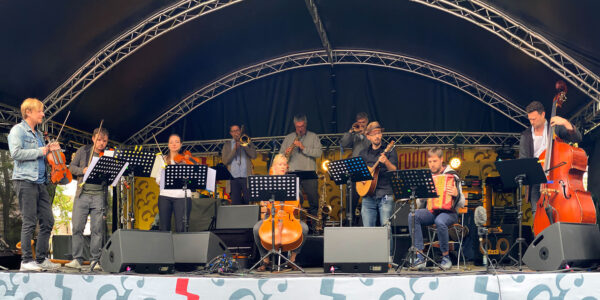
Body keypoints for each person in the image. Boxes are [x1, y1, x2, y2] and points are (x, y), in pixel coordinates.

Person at [7, 98, 60, 271]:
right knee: (29, 221)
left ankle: (42, 258)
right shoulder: (18, 131)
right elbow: (15, 153)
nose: (43, 114)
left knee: (48, 220)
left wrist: (53, 150)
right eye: (40, 111)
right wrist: (41, 150)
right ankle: (26, 261)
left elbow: (44, 157)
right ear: (28, 112)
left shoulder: (38, 134)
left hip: (40, 182)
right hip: (24, 181)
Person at [518, 101, 581, 216]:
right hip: (536, 181)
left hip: (555, 179)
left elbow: (577, 138)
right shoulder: (525, 135)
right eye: (530, 119)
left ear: (543, 115)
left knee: (560, 213)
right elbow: (523, 160)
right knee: (537, 215)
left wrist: (565, 123)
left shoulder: (556, 128)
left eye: (534, 119)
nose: (532, 122)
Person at [408, 147, 465, 270]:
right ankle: (420, 257)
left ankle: (446, 257)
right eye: (430, 162)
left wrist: (456, 194)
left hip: (450, 213)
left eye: (434, 161)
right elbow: (419, 203)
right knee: (413, 216)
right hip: (432, 211)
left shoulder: (452, 175)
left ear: (441, 160)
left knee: (440, 220)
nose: (432, 165)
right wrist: (422, 197)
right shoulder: (427, 177)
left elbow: (462, 203)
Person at [252, 154, 309, 271]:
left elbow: (300, 200)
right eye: (280, 164)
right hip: (271, 216)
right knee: (256, 229)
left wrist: (296, 193)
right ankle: (265, 260)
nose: (283, 167)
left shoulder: (292, 181)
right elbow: (262, 200)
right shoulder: (267, 182)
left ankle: (292, 259)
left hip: (289, 216)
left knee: (304, 229)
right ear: (274, 167)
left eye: (284, 165)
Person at [65, 128, 109, 271]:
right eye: (99, 139)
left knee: (97, 230)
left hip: (98, 196)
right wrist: (82, 170)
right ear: (93, 138)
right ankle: (77, 259)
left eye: (104, 140)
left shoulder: (107, 155)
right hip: (82, 195)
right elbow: (71, 167)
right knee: (77, 227)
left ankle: (95, 260)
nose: (101, 143)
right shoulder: (83, 151)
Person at [279, 114, 322, 218]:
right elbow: (280, 156)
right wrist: (285, 153)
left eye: (302, 126)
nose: (300, 129)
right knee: (293, 203)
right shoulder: (289, 138)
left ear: (306, 125)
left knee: (313, 202)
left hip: (309, 173)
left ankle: (315, 228)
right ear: (295, 125)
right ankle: (295, 227)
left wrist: (303, 148)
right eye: (298, 126)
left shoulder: (313, 136)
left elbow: (319, 153)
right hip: (292, 173)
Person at [358, 121, 398, 227]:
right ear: (368, 137)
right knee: (368, 231)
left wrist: (386, 161)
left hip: (385, 194)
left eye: (379, 133)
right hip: (367, 195)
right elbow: (358, 172)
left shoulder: (390, 150)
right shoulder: (363, 153)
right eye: (374, 134)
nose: (377, 136)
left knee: (386, 231)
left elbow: (394, 170)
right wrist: (361, 177)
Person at [156, 134, 193, 232]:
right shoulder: (162, 159)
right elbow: (157, 177)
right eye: (171, 142)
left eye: (177, 142)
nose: (174, 144)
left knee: (181, 228)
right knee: (164, 228)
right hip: (165, 196)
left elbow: (191, 179)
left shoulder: (186, 160)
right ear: (168, 145)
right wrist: (160, 180)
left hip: (182, 196)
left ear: (181, 145)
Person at [340, 112, 370, 225]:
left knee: (369, 200)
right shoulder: (354, 135)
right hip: (355, 170)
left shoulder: (371, 133)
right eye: (359, 123)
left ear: (367, 122)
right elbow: (343, 143)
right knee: (351, 200)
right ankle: (349, 224)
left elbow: (372, 146)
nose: (361, 125)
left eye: (363, 123)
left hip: (369, 169)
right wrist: (351, 132)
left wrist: (364, 134)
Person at [222, 125, 257, 205]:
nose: (236, 133)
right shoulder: (227, 145)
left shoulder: (248, 141)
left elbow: (254, 156)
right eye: (233, 131)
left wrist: (244, 145)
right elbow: (225, 161)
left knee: (248, 202)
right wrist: (234, 149)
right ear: (231, 133)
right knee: (235, 203)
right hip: (233, 179)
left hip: (246, 178)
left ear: (240, 131)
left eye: (237, 130)